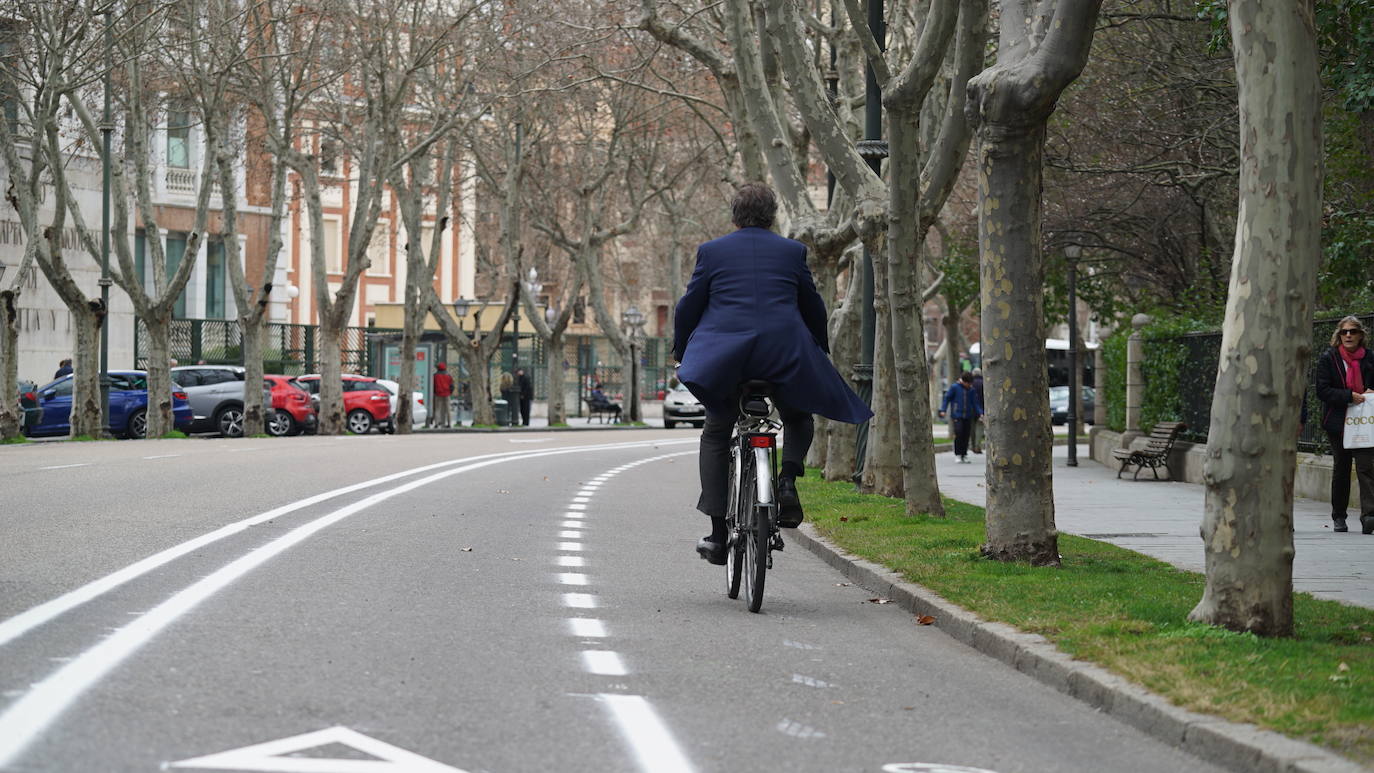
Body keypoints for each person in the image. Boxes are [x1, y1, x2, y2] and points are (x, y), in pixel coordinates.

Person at [674, 183, 872, 565]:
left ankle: (717, 535)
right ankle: (786, 481)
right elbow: (812, 304)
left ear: (734, 215)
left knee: (717, 432)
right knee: (798, 416)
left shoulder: (712, 252)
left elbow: (688, 308)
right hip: (783, 352)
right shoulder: (792, 251)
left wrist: (683, 350)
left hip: (727, 358)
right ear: (772, 216)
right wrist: (817, 347)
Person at [1314, 316, 1374, 534]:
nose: (1348, 335)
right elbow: (1322, 390)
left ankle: (1369, 515)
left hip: (1365, 422)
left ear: (1360, 335)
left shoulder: (1369, 358)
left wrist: (1370, 392)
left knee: (1366, 466)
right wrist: (1349, 395)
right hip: (1338, 422)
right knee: (1342, 467)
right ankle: (1339, 515)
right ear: (1339, 335)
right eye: (1344, 332)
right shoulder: (1328, 359)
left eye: (1353, 331)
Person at [938, 371, 984, 463]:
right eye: (968, 383)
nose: (969, 385)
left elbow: (975, 403)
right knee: (959, 434)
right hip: (957, 415)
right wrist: (943, 410)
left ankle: (964, 454)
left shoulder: (971, 390)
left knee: (966, 435)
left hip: (968, 415)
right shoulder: (955, 387)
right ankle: (958, 454)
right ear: (963, 381)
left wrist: (980, 413)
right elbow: (947, 398)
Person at [432, 363, 454, 428]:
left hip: (438, 394)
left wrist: (434, 392)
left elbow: (433, 385)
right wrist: (450, 392)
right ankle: (449, 424)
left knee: (437, 409)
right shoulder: (448, 375)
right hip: (447, 394)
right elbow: (452, 385)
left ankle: (436, 424)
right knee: (448, 409)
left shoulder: (435, 376)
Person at [969, 367, 985, 454]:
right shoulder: (984, 383)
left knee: (972, 428)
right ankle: (977, 446)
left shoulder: (970, 383)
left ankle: (972, 445)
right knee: (979, 427)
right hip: (981, 408)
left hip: (971, 409)